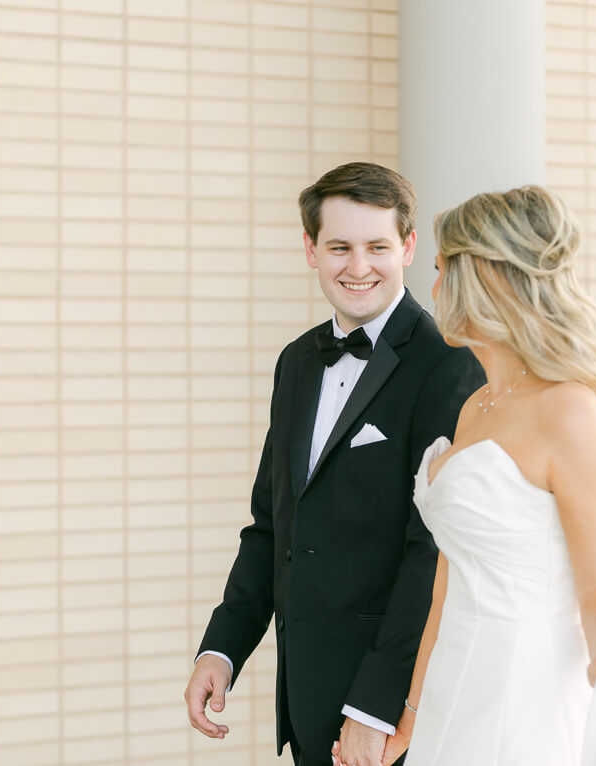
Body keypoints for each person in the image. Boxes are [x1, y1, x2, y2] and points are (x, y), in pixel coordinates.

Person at [184, 162, 485, 766]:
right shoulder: (296, 362)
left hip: (387, 707)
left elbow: (430, 552)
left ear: (407, 246)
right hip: (307, 697)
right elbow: (271, 525)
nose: (358, 267)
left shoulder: (447, 365)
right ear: (309, 249)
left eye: (377, 246)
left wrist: (376, 707)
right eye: (339, 247)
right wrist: (221, 649)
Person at [357, 185, 596, 764]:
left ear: (485, 279)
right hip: (453, 691)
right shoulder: (478, 405)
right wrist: (412, 717)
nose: (434, 288)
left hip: (528, 700)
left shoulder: (570, 411)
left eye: (444, 271)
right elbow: (445, 584)